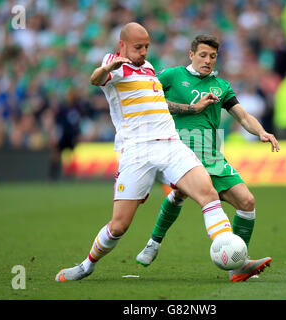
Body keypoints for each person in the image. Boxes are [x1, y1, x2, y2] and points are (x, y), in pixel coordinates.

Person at [55, 23, 238, 282]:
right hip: (136, 150)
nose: (143, 52)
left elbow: (160, 104)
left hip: (170, 143)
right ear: (123, 46)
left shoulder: (150, 68)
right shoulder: (114, 64)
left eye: (146, 47)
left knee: (207, 193)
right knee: (119, 225)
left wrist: (192, 109)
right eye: (137, 47)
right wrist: (106, 69)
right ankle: (87, 265)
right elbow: (96, 79)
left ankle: (231, 257)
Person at [136, 34, 280, 282]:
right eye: (203, 55)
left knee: (247, 202)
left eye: (212, 56)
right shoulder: (172, 76)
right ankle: (154, 242)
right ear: (191, 55)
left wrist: (262, 132)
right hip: (180, 153)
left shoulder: (221, 87)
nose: (207, 60)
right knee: (181, 192)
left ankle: (238, 264)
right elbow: (148, 99)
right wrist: (191, 108)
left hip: (212, 155)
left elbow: (243, 117)